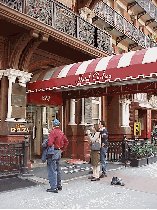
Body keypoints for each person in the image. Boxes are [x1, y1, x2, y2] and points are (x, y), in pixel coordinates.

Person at [47, 119, 69, 193]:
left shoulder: (53, 132)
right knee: (58, 169)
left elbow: (50, 143)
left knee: (52, 169)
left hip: (53, 152)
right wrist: (63, 150)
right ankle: (59, 185)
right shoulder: (61, 132)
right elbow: (66, 142)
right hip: (59, 151)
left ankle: (53, 187)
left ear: (53, 125)